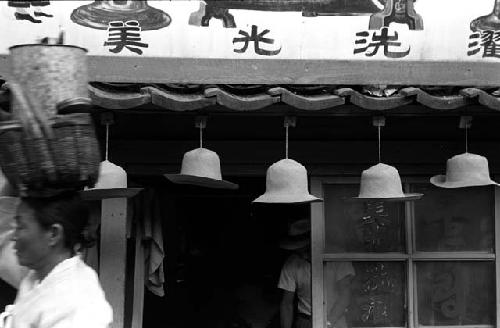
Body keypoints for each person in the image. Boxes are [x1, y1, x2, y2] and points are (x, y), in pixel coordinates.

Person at [0, 192, 113, 328]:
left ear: (54, 234)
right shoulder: (36, 277)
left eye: (21, 227)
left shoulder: (77, 302)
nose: (14, 237)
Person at [278, 219, 354, 328]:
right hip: (306, 321)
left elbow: (345, 295)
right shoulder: (292, 263)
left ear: (313, 242)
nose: (303, 254)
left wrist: (329, 322)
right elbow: (287, 304)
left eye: (305, 249)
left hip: (336, 320)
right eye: (298, 250)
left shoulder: (337, 256)